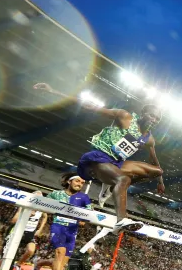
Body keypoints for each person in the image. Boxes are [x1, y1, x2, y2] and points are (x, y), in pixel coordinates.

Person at [33, 82, 164, 234]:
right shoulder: (125, 117)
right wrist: (54, 91)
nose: (153, 120)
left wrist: (160, 181)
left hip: (116, 163)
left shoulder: (149, 139)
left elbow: (154, 159)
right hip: (98, 158)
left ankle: (111, 187)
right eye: (151, 115)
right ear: (143, 113)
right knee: (123, 179)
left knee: (158, 171)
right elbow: (90, 107)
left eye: (157, 119)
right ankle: (121, 220)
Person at [47, 174, 92, 270]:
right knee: (60, 252)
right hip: (59, 226)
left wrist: (83, 219)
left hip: (72, 231)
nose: (80, 184)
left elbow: (90, 213)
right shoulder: (56, 194)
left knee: (64, 260)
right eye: (77, 181)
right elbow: (42, 204)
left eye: (82, 183)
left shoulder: (84, 197)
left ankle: (43, 263)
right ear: (69, 182)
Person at [4, 191, 47, 270]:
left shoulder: (42, 208)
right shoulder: (24, 206)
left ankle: (18, 264)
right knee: (11, 255)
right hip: (18, 231)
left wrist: (40, 229)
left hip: (30, 233)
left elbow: (45, 217)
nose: (38, 201)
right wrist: (27, 215)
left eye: (40, 199)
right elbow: (13, 221)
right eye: (36, 198)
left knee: (31, 250)